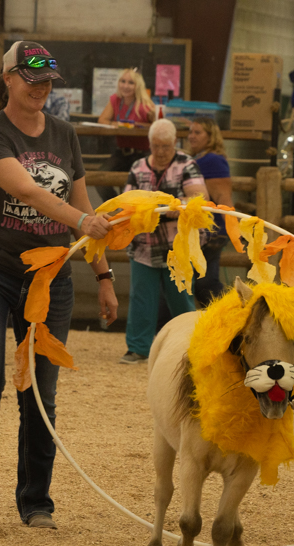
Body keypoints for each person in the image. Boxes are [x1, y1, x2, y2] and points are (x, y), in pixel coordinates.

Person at [0, 41, 118, 532]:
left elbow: (82, 199)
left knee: (41, 391)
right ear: (8, 80)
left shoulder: (65, 133)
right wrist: (83, 220)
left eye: (46, 81)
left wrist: (103, 276)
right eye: (31, 79)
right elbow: (28, 190)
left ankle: (36, 502)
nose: (40, 88)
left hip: (50, 276)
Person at [120, 118, 208, 365]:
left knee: (180, 296)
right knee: (141, 297)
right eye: (156, 146)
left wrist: (178, 206)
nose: (160, 152)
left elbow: (199, 197)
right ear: (149, 144)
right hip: (144, 245)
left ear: (174, 144)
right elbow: (127, 201)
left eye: (165, 147)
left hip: (177, 245)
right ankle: (138, 348)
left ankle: (188, 348)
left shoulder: (187, 164)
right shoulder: (138, 167)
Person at [186, 117, 234, 306]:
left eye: (198, 132)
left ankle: (231, 315)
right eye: (190, 132)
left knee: (206, 283)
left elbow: (223, 197)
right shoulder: (197, 159)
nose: (191, 136)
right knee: (202, 282)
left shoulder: (213, 161)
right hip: (199, 230)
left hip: (212, 231)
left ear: (210, 136)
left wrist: (229, 228)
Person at [96, 68, 156, 201]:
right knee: (99, 179)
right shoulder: (115, 100)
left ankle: (129, 211)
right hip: (122, 152)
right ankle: (116, 208)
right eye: (123, 81)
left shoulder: (145, 104)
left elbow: (156, 125)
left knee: (133, 188)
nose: (125, 86)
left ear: (137, 86)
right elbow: (102, 119)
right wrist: (118, 125)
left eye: (130, 83)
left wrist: (136, 126)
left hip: (142, 154)